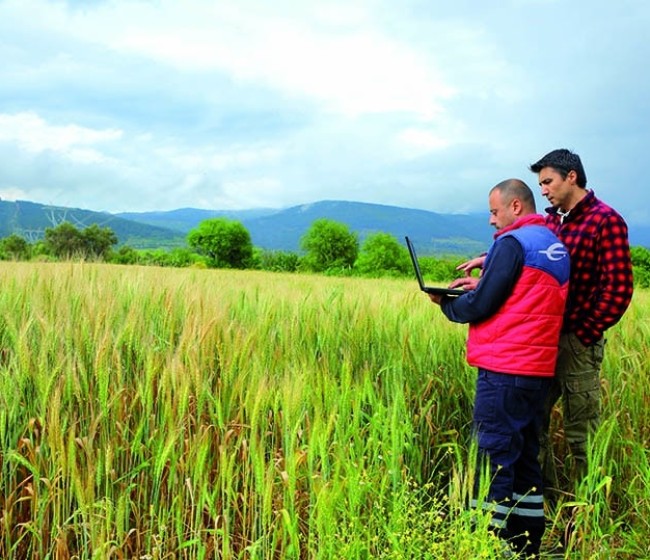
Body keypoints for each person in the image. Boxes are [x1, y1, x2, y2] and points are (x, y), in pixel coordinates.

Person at [429, 179, 570, 558]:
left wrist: (447, 303)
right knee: (524, 458)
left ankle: (488, 547)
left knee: (492, 457)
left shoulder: (512, 243)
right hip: (537, 371)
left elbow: (481, 306)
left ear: (516, 207)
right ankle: (526, 546)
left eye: (494, 211)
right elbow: (521, 294)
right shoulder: (552, 243)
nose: (492, 221)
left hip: (504, 369)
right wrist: (482, 282)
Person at [528, 148, 634, 494]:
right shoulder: (550, 222)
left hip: (577, 342)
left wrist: (584, 333)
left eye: (548, 181)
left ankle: (585, 513)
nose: (543, 190)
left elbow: (618, 289)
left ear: (571, 176)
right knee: (533, 421)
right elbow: (526, 258)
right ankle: (541, 503)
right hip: (543, 341)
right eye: (540, 184)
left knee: (582, 432)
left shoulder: (606, 220)